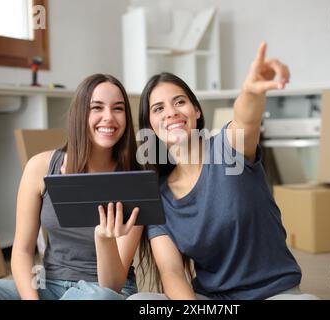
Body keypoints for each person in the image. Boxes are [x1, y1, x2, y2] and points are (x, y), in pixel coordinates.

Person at [130, 42, 319, 300]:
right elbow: (172, 273)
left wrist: (250, 91)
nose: (171, 113)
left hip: (273, 294)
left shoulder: (228, 150)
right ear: (150, 126)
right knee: (140, 301)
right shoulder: (160, 197)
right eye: (158, 109)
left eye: (179, 102)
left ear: (196, 110)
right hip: (212, 300)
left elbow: (246, 118)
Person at [0, 74, 143, 300]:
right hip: (48, 285)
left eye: (118, 109)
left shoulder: (134, 180)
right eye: (97, 107)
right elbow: (21, 251)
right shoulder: (40, 167)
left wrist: (104, 239)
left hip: (100, 291)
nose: (108, 117)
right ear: (79, 114)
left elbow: (113, 285)